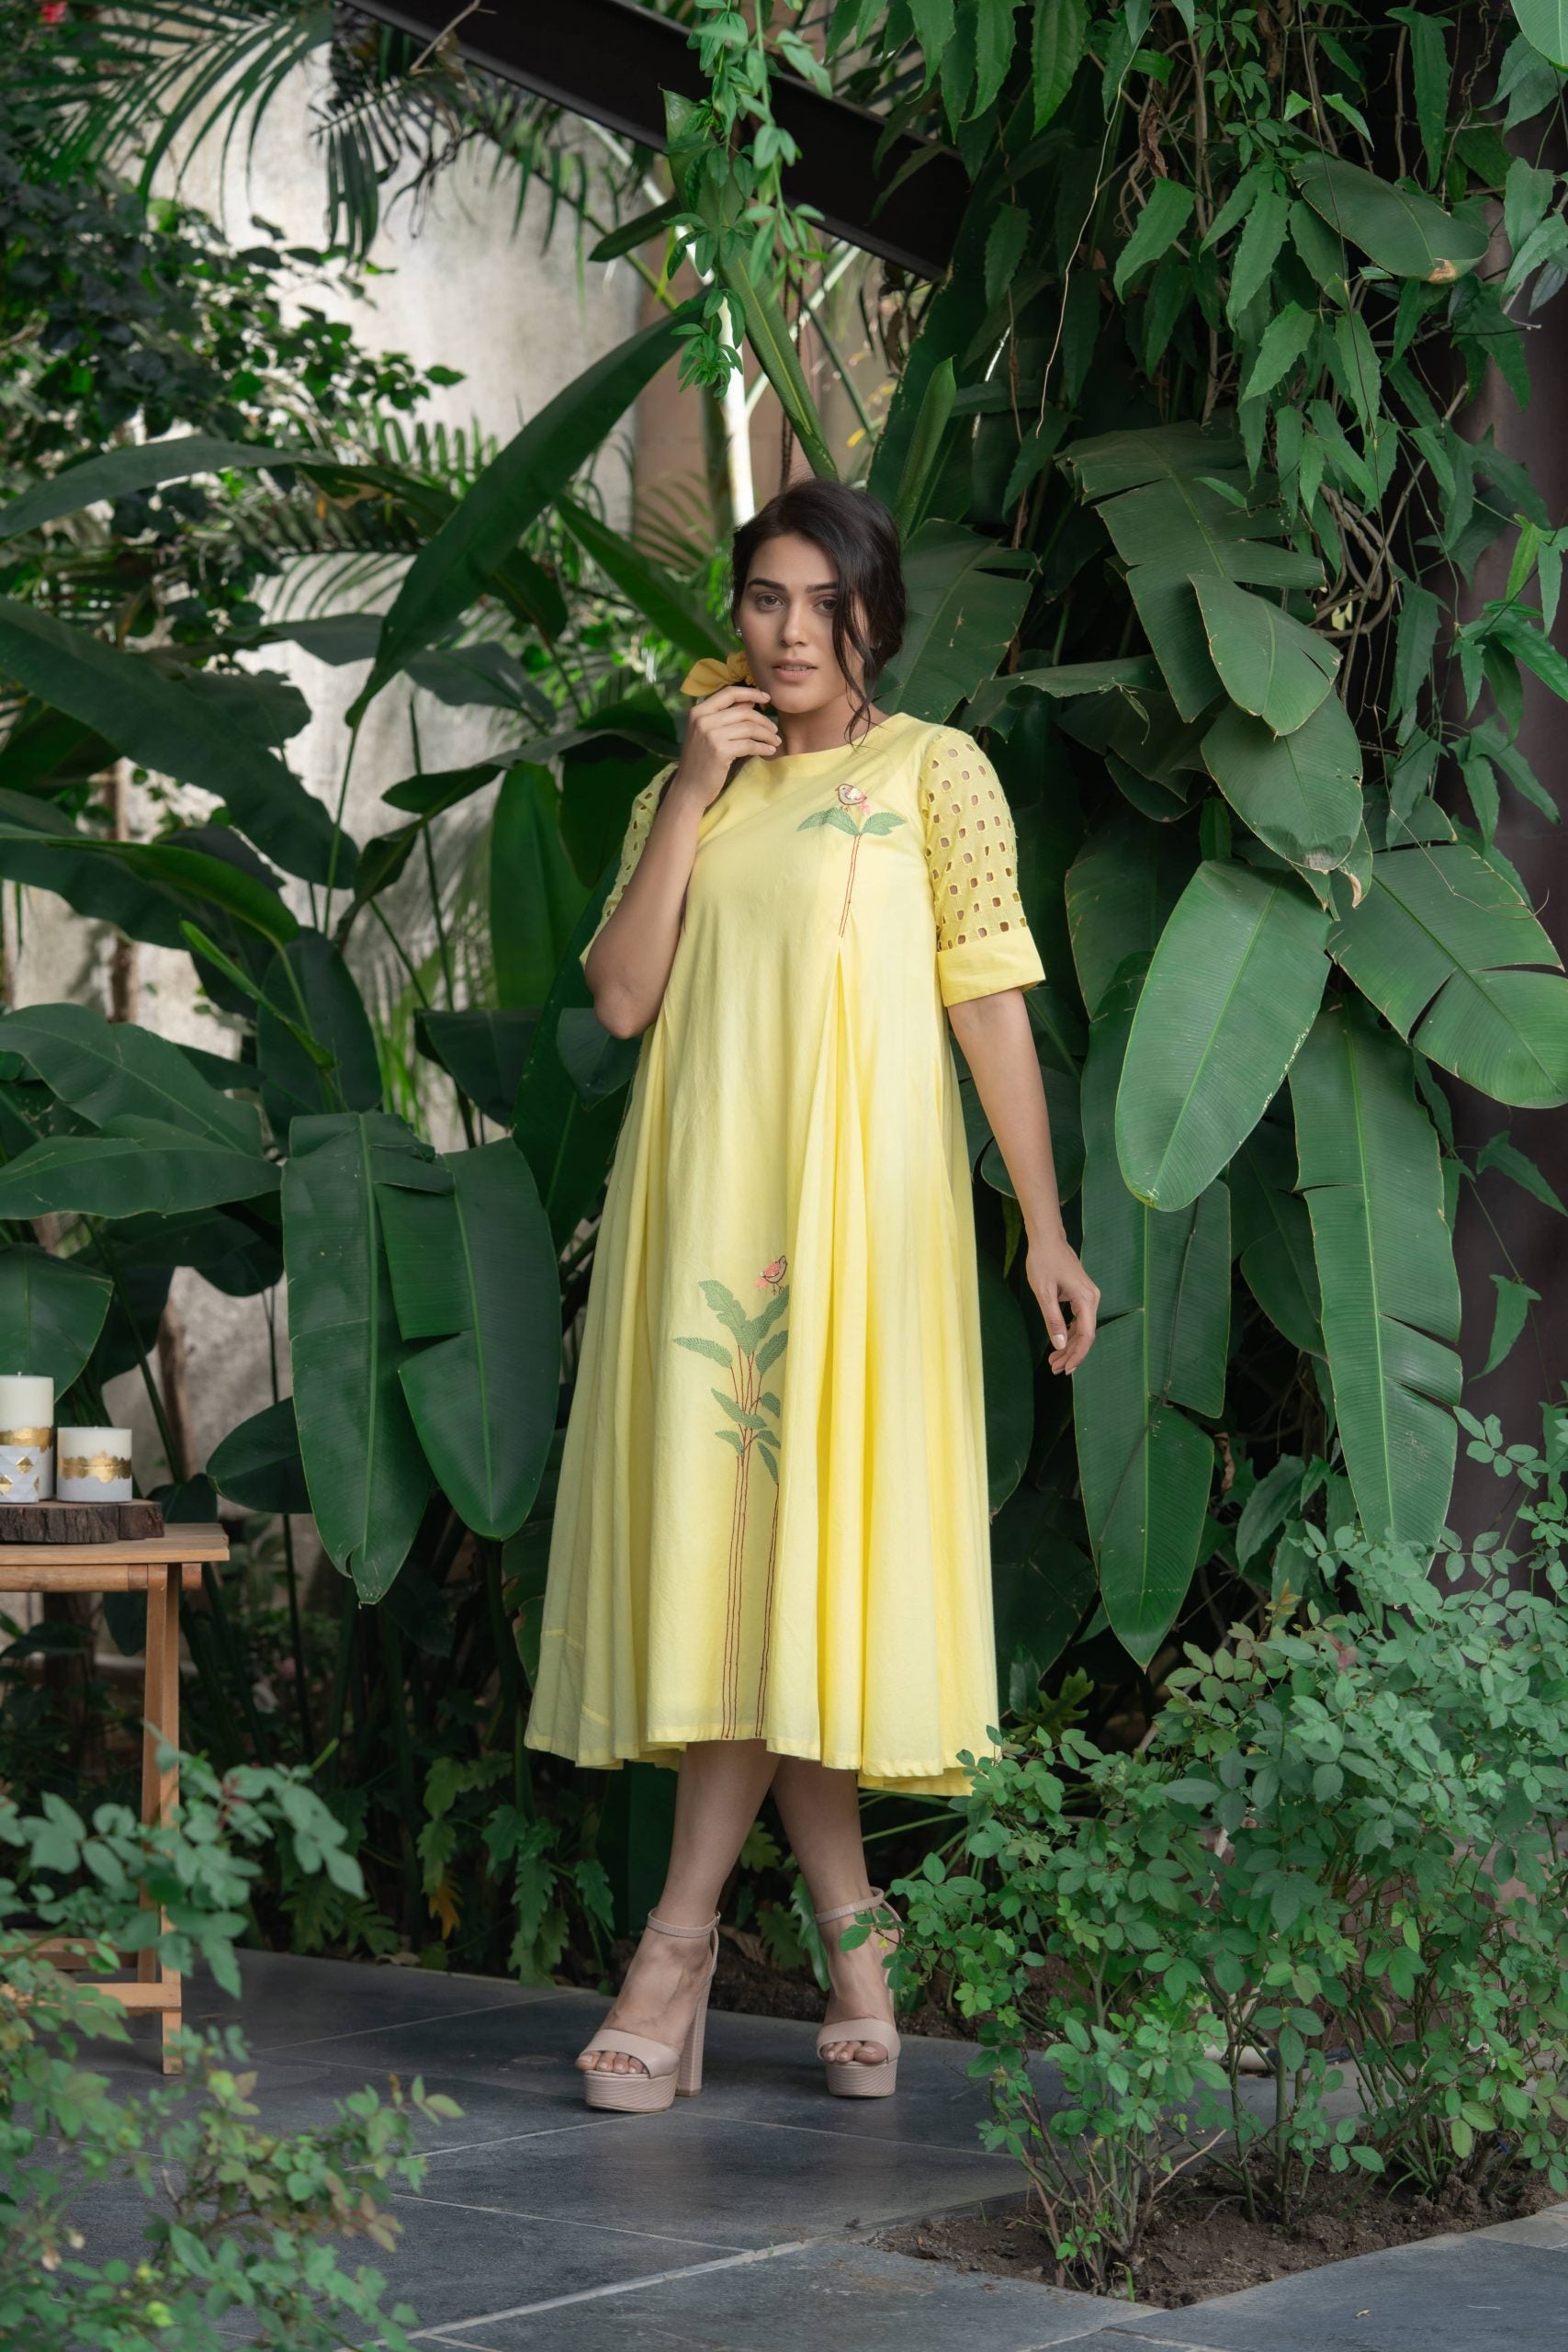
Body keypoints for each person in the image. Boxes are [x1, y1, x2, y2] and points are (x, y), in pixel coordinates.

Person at [524, 478, 1099, 2113]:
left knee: (789, 1581)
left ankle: (678, 1950)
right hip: (703, 1219)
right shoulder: (699, 784)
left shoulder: (935, 774)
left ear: (874, 617)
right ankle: (854, 1946)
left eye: (821, 604)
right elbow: (621, 997)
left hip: (863, 1230)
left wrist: (1044, 1231)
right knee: (750, 1587)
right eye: (764, 599)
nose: (787, 633)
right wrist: (690, 792)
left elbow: (990, 1007)